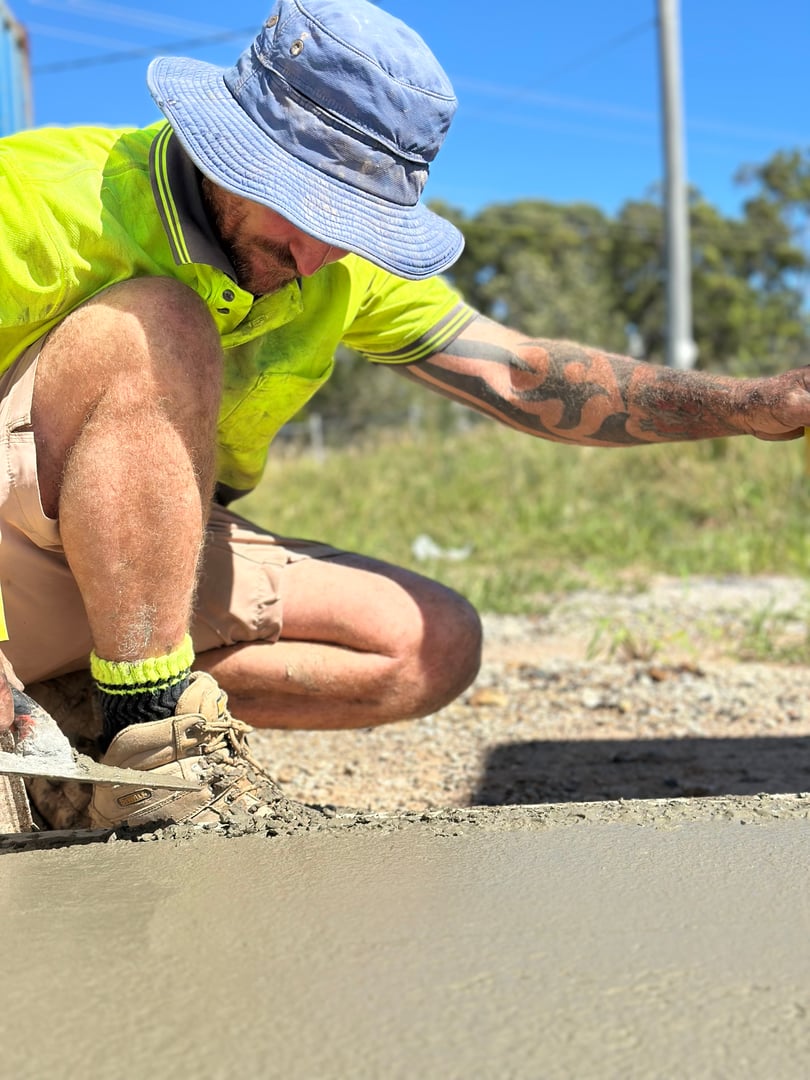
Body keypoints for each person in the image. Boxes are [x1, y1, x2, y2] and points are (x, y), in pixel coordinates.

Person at [0, 0, 808, 830]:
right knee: (161, 325)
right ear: (229, 140)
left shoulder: (332, 268)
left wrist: (754, 405)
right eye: (302, 205)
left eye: (352, 222)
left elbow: (526, 377)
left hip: (131, 566)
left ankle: (70, 736)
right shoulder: (41, 201)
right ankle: (153, 748)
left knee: (429, 644)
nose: (317, 255)